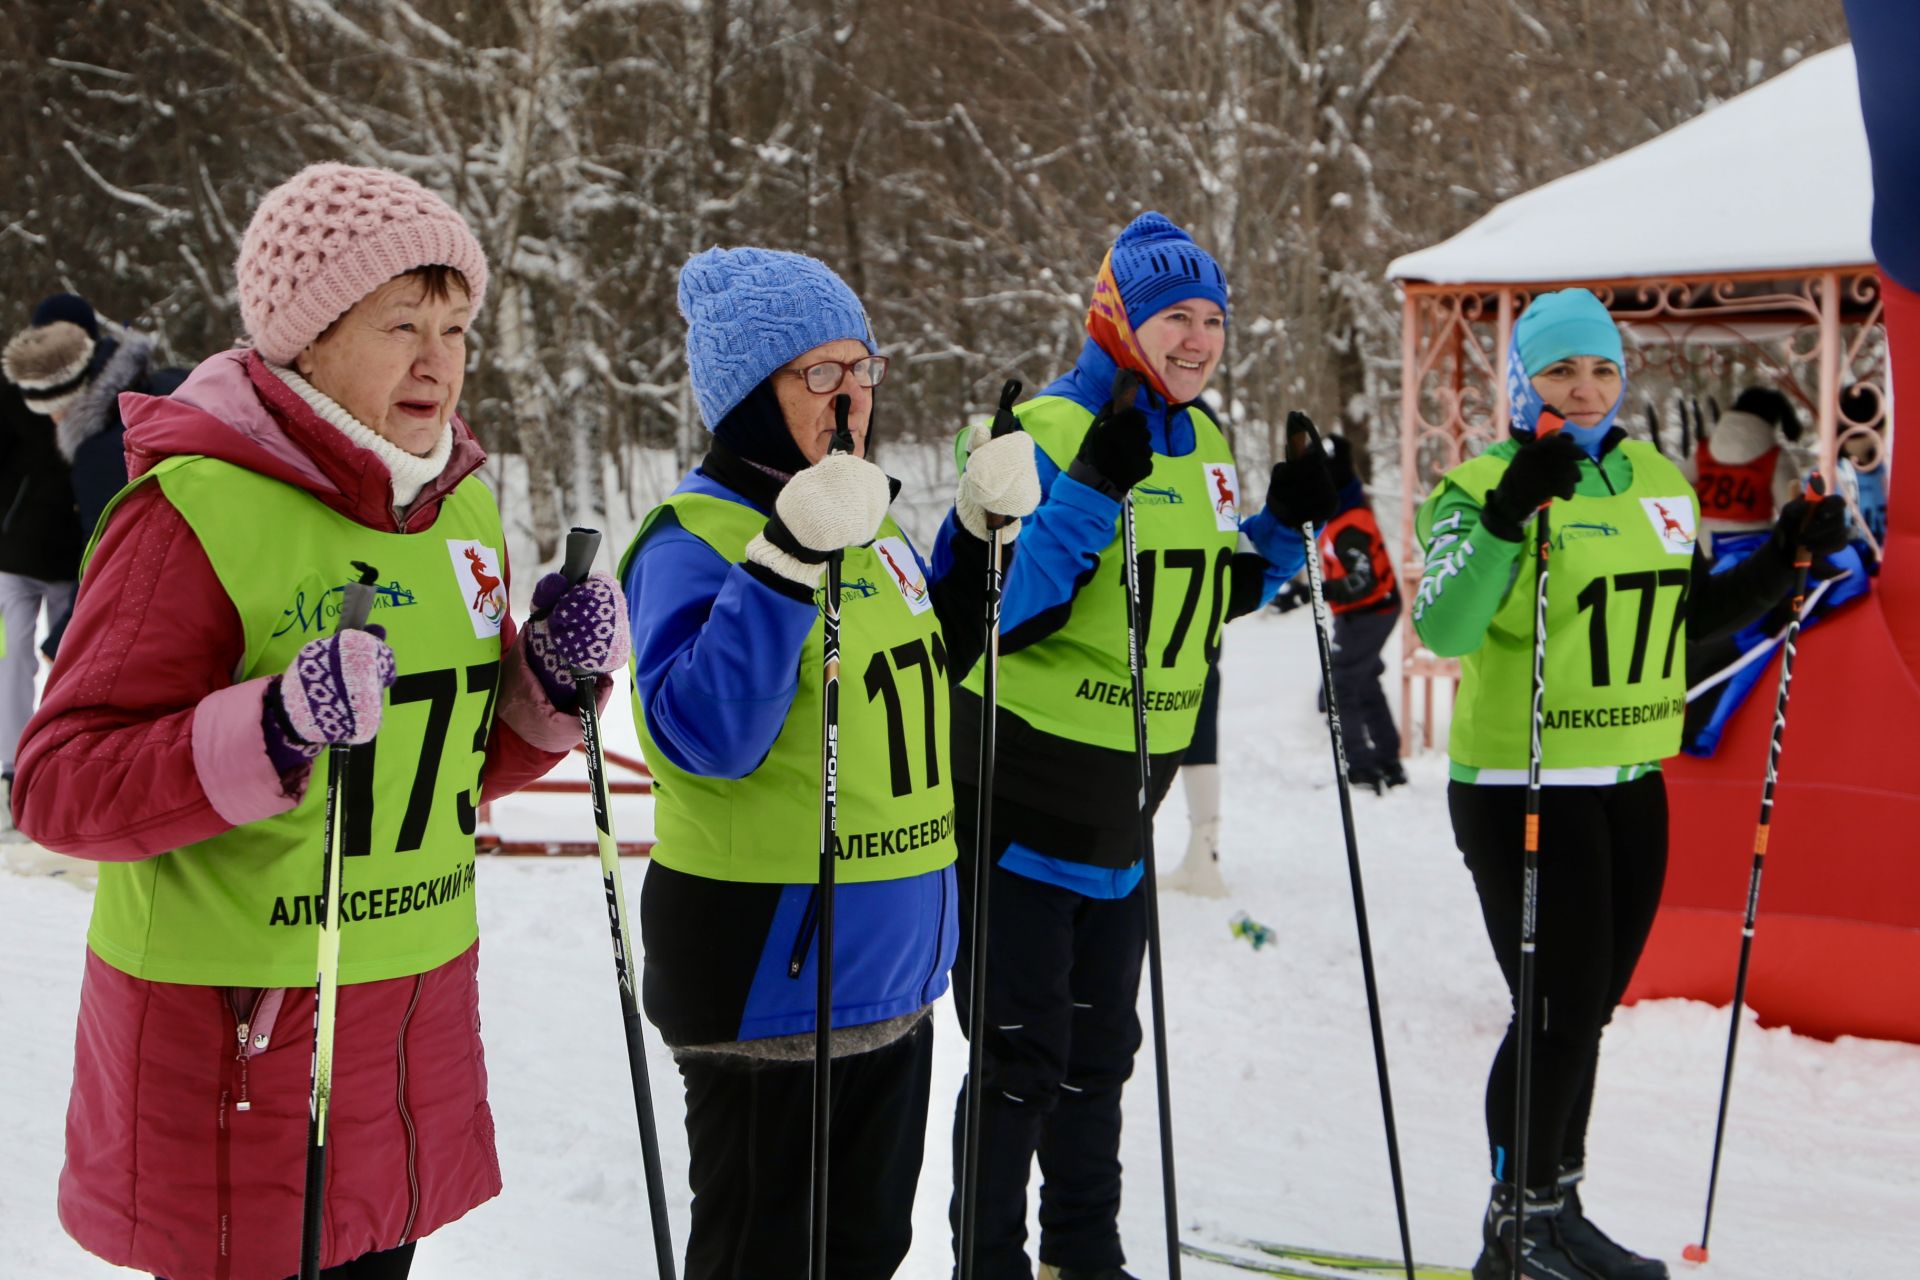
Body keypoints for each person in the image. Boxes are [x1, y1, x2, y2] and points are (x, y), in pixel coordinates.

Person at [12, 162, 628, 1280]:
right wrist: (275, 729)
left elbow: (435, 771)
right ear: (307, 336)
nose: (436, 359)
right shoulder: (194, 507)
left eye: (453, 324)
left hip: (401, 1038)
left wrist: (548, 686)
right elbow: (56, 785)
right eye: (401, 322)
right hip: (241, 1057)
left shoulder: (460, 500)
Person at [618, 245, 1040, 1280]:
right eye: (819, 373)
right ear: (750, 396)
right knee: (766, 1255)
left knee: (862, 1250)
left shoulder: (862, 514)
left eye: (862, 367)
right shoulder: (696, 537)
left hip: (889, 971)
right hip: (773, 976)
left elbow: (925, 661)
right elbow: (703, 733)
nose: (851, 394)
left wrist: (983, 535)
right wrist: (786, 558)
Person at [1411, 289, 1847, 1280]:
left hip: (1632, 779)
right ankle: (1513, 1227)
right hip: (1525, 784)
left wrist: (1786, 554)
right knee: (1555, 1008)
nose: (1587, 386)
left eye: (1603, 368)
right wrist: (1510, 512)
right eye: (1563, 369)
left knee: (1587, 1009)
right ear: (1523, 381)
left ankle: (1557, 1208)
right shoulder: (1479, 482)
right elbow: (1443, 628)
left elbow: (1684, 619)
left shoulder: (1658, 479)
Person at [941, 211, 1336, 1280]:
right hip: (1020, 788)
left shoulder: (1199, 438)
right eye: (1174, 317)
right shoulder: (1044, 426)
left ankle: (1085, 1252)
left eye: (1213, 318)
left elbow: (1197, 601)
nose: (1198, 338)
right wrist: (1086, 491)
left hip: (1125, 804)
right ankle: (987, 1262)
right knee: (1021, 1058)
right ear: (1118, 316)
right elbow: (997, 613)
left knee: (1102, 1058)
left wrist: (1287, 527)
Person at [2, 293, 187, 660]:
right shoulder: (159, 384)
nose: (52, 423)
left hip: (97, 571)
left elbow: (108, 550)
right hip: (17, 556)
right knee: (11, 660)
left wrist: (62, 639)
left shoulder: (100, 450)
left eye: (54, 412)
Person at [0, 376, 80, 836]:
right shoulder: (11, 398)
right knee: (11, 661)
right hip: (12, 561)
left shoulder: (93, 399)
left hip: (71, 564)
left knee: (68, 665)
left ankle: (59, 765)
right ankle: (12, 769)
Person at [1678, 385, 1804, 552]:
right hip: (1753, 551)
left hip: (1703, 546)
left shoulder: (1703, 452)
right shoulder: (1775, 459)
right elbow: (1793, 511)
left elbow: (1675, 485)